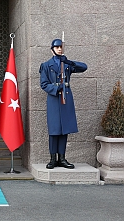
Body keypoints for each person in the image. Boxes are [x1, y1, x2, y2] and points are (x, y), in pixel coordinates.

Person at [39, 38, 87, 169]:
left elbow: (84, 67)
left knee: (64, 129)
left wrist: (68, 61)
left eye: (61, 46)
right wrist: (56, 88)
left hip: (66, 99)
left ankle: (62, 158)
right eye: (57, 47)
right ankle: (53, 159)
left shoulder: (66, 64)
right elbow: (43, 84)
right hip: (54, 99)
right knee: (54, 130)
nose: (59, 49)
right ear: (52, 50)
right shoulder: (46, 65)